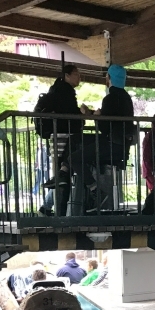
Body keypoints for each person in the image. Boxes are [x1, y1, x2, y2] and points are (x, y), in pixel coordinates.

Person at [78, 64, 135, 209]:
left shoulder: (109, 98)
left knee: (75, 158)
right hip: (121, 144)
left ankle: (96, 191)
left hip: (110, 144)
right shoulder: (126, 98)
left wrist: (97, 117)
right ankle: (65, 169)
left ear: (109, 78)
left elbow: (105, 127)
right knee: (77, 144)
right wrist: (96, 115)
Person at [45, 64, 91, 216]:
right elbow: (71, 118)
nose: (79, 77)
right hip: (64, 137)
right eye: (76, 74)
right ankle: (60, 213)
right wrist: (83, 115)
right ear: (67, 75)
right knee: (63, 175)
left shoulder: (57, 90)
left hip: (58, 136)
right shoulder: (65, 93)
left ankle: (51, 209)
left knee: (61, 174)